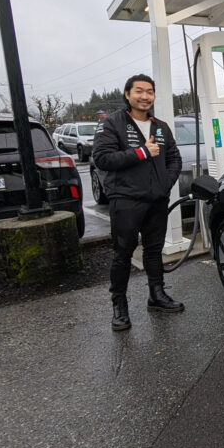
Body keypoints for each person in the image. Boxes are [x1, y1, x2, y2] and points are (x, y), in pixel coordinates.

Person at [92, 74, 184, 331]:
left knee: (154, 251)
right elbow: (102, 159)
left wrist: (165, 183)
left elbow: (174, 158)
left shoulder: (160, 127)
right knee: (123, 254)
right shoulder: (112, 124)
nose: (145, 96)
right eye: (139, 91)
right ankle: (119, 306)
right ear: (127, 94)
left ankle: (157, 295)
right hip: (126, 200)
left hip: (156, 200)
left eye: (150, 92)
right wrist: (142, 152)